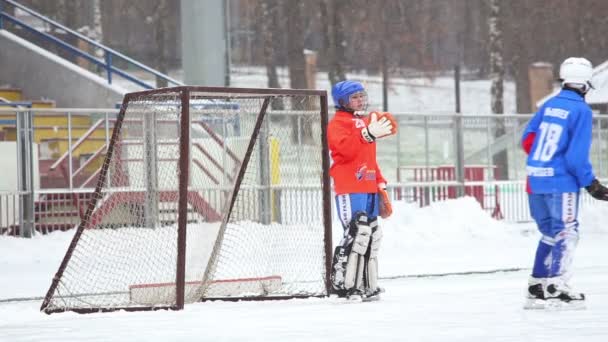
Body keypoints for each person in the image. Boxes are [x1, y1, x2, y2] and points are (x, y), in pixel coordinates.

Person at [521, 57, 608, 309]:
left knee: (550, 233)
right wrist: (591, 183)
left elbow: (528, 140)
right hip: (561, 182)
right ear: (585, 84)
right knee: (566, 231)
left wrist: (544, 160)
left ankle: (537, 285)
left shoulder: (548, 106)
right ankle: (557, 285)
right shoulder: (581, 110)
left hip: (536, 179)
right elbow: (575, 156)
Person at [327, 80, 395, 300]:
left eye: (361, 96)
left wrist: (380, 180)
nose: (359, 101)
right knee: (357, 233)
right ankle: (345, 285)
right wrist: (366, 134)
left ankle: (367, 285)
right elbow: (344, 151)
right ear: (342, 102)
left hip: (368, 183)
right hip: (349, 185)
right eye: (354, 98)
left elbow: (369, 158)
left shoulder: (365, 123)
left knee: (372, 234)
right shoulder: (338, 123)